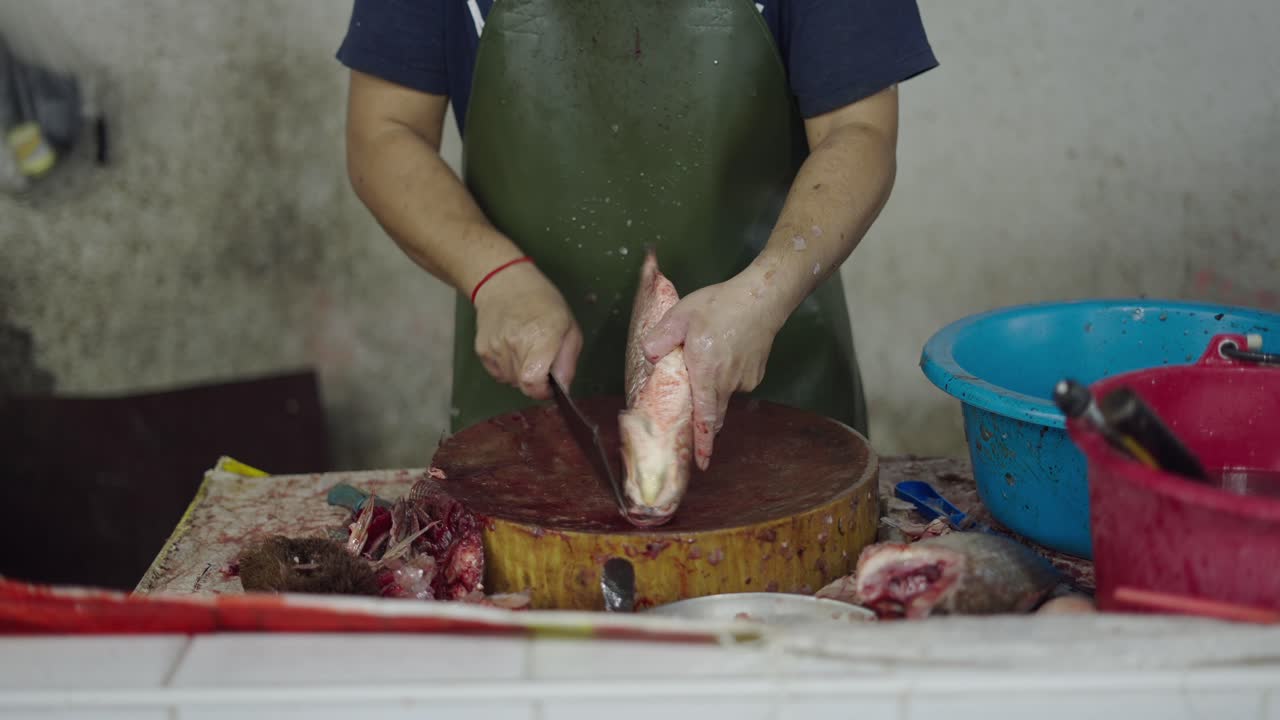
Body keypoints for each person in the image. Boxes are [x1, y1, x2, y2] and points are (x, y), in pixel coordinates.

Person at [337, 0, 937, 468]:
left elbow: (857, 132)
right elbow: (385, 132)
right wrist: (493, 275)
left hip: (768, 362)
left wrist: (765, 292)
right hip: (530, 377)